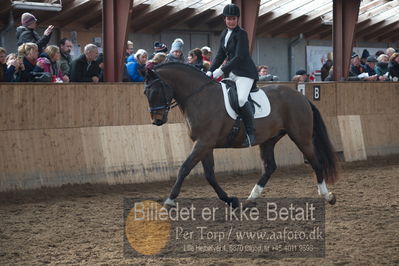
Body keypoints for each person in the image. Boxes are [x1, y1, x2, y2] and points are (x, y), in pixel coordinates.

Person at [207, 3, 258, 147]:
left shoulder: (242, 34)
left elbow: (240, 57)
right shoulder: (224, 33)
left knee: (241, 99)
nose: (231, 21)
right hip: (231, 73)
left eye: (234, 18)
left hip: (245, 73)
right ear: (225, 19)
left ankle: (251, 132)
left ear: (237, 19)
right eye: (228, 18)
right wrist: (210, 70)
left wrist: (221, 70)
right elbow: (220, 54)